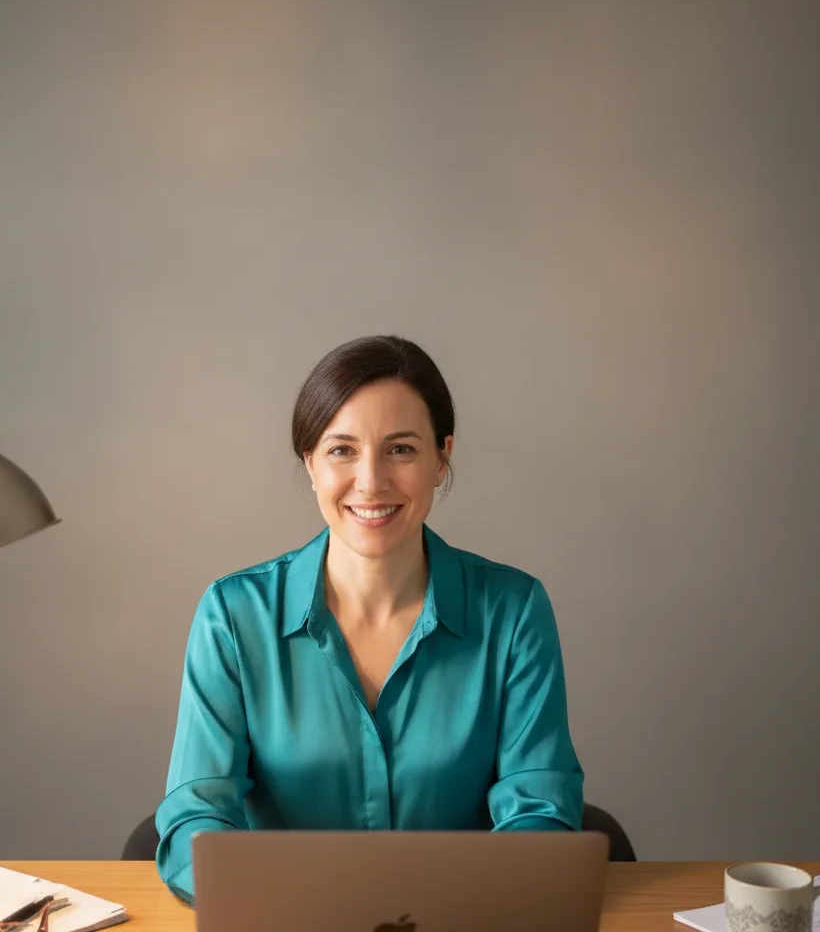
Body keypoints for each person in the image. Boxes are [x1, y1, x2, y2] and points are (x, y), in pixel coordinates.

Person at [155, 335, 583, 902]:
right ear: (309, 463)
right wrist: (278, 900)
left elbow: (542, 813)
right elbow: (196, 820)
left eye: (401, 449)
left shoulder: (513, 611)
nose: (371, 481)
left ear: (441, 458)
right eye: (341, 450)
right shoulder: (235, 616)